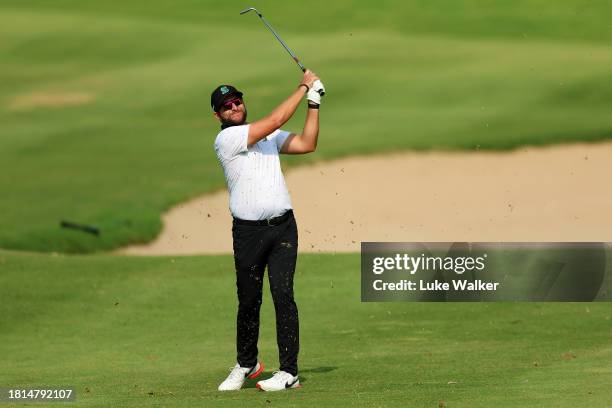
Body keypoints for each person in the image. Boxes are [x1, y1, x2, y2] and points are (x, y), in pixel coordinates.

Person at [212, 70, 325, 392]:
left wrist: (314, 104)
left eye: (236, 101)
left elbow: (307, 144)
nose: (234, 107)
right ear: (217, 115)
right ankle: (247, 364)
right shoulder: (227, 139)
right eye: (226, 106)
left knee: (283, 295)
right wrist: (304, 86)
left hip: (283, 229)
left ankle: (289, 372)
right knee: (248, 300)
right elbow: (276, 119)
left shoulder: (265, 138)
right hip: (248, 233)